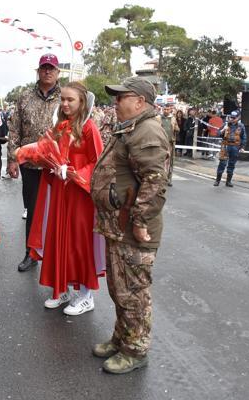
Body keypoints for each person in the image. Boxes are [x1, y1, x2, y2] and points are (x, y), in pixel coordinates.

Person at [90, 77, 168, 374]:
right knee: (119, 288)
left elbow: (155, 184)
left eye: (122, 97)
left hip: (133, 229)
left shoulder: (146, 132)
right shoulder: (130, 127)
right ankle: (122, 338)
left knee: (133, 292)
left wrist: (138, 222)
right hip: (118, 225)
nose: (116, 101)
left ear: (140, 101)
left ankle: (135, 350)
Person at [27, 81, 104, 315]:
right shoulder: (60, 126)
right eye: (63, 99)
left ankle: (85, 295)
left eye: (71, 99)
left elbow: (98, 162)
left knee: (79, 243)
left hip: (80, 196)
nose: (65, 103)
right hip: (61, 194)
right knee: (59, 240)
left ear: (82, 102)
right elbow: (47, 152)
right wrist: (50, 165)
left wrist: (75, 173)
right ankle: (63, 288)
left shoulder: (89, 128)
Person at [7, 53, 61, 272]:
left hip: (57, 167)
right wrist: (12, 159)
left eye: (51, 68)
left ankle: (54, 256)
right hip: (29, 164)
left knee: (57, 213)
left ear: (58, 72)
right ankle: (31, 253)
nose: (47, 71)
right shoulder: (25, 96)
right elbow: (14, 129)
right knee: (33, 211)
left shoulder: (65, 96)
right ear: (38, 71)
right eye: (44, 67)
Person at [213, 110, 246, 187]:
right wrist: (223, 130)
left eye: (234, 118)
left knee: (231, 164)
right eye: (231, 117)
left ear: (238, 117)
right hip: (225, 146)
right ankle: (217, 180)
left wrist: (242, 147)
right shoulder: (225, 124)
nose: (232, 119)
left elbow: (244, 137)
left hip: (235, 147)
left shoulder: (241, 126)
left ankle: (228, 181)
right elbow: (218, 134)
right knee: (222, 163)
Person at [160, 103, 179, 186]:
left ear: (170, 110)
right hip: (160, 143)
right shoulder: (158, 118)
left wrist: (175, 127)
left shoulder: (173, 119)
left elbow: (177, 129)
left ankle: (168, 178)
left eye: (167, 109)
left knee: (169, 162)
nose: (166, 111)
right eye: (165, 109)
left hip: (169, 143)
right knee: (160, 161)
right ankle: (160, 178)